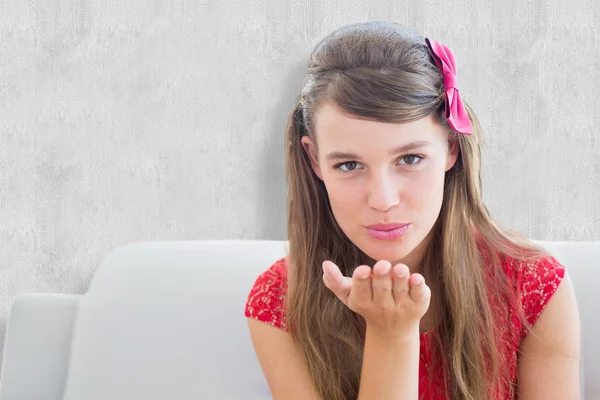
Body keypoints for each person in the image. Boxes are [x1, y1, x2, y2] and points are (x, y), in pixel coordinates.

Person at [244, 21, 580, 400]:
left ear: (451, 148)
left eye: (410, 158)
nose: (383, 200)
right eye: (349, 165)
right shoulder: (282, 299)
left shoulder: (531, 284)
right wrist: (391, 337)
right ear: (315, 160)